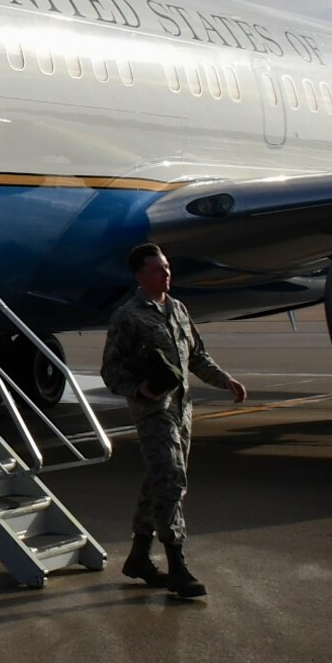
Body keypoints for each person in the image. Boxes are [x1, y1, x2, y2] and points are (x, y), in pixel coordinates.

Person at [99, 242, 247, 599]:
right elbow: (110, 371)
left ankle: (138, 557)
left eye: (166, 268)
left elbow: (196, 356)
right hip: (153, 412)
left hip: (182, 411)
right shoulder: (129, 317)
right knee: (171, 481)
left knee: (157, 482)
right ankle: (176, 563)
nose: (165, 274)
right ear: (139, 276)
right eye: (156, 270)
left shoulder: (178, 309)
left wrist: (224, 380)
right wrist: (140, 389)